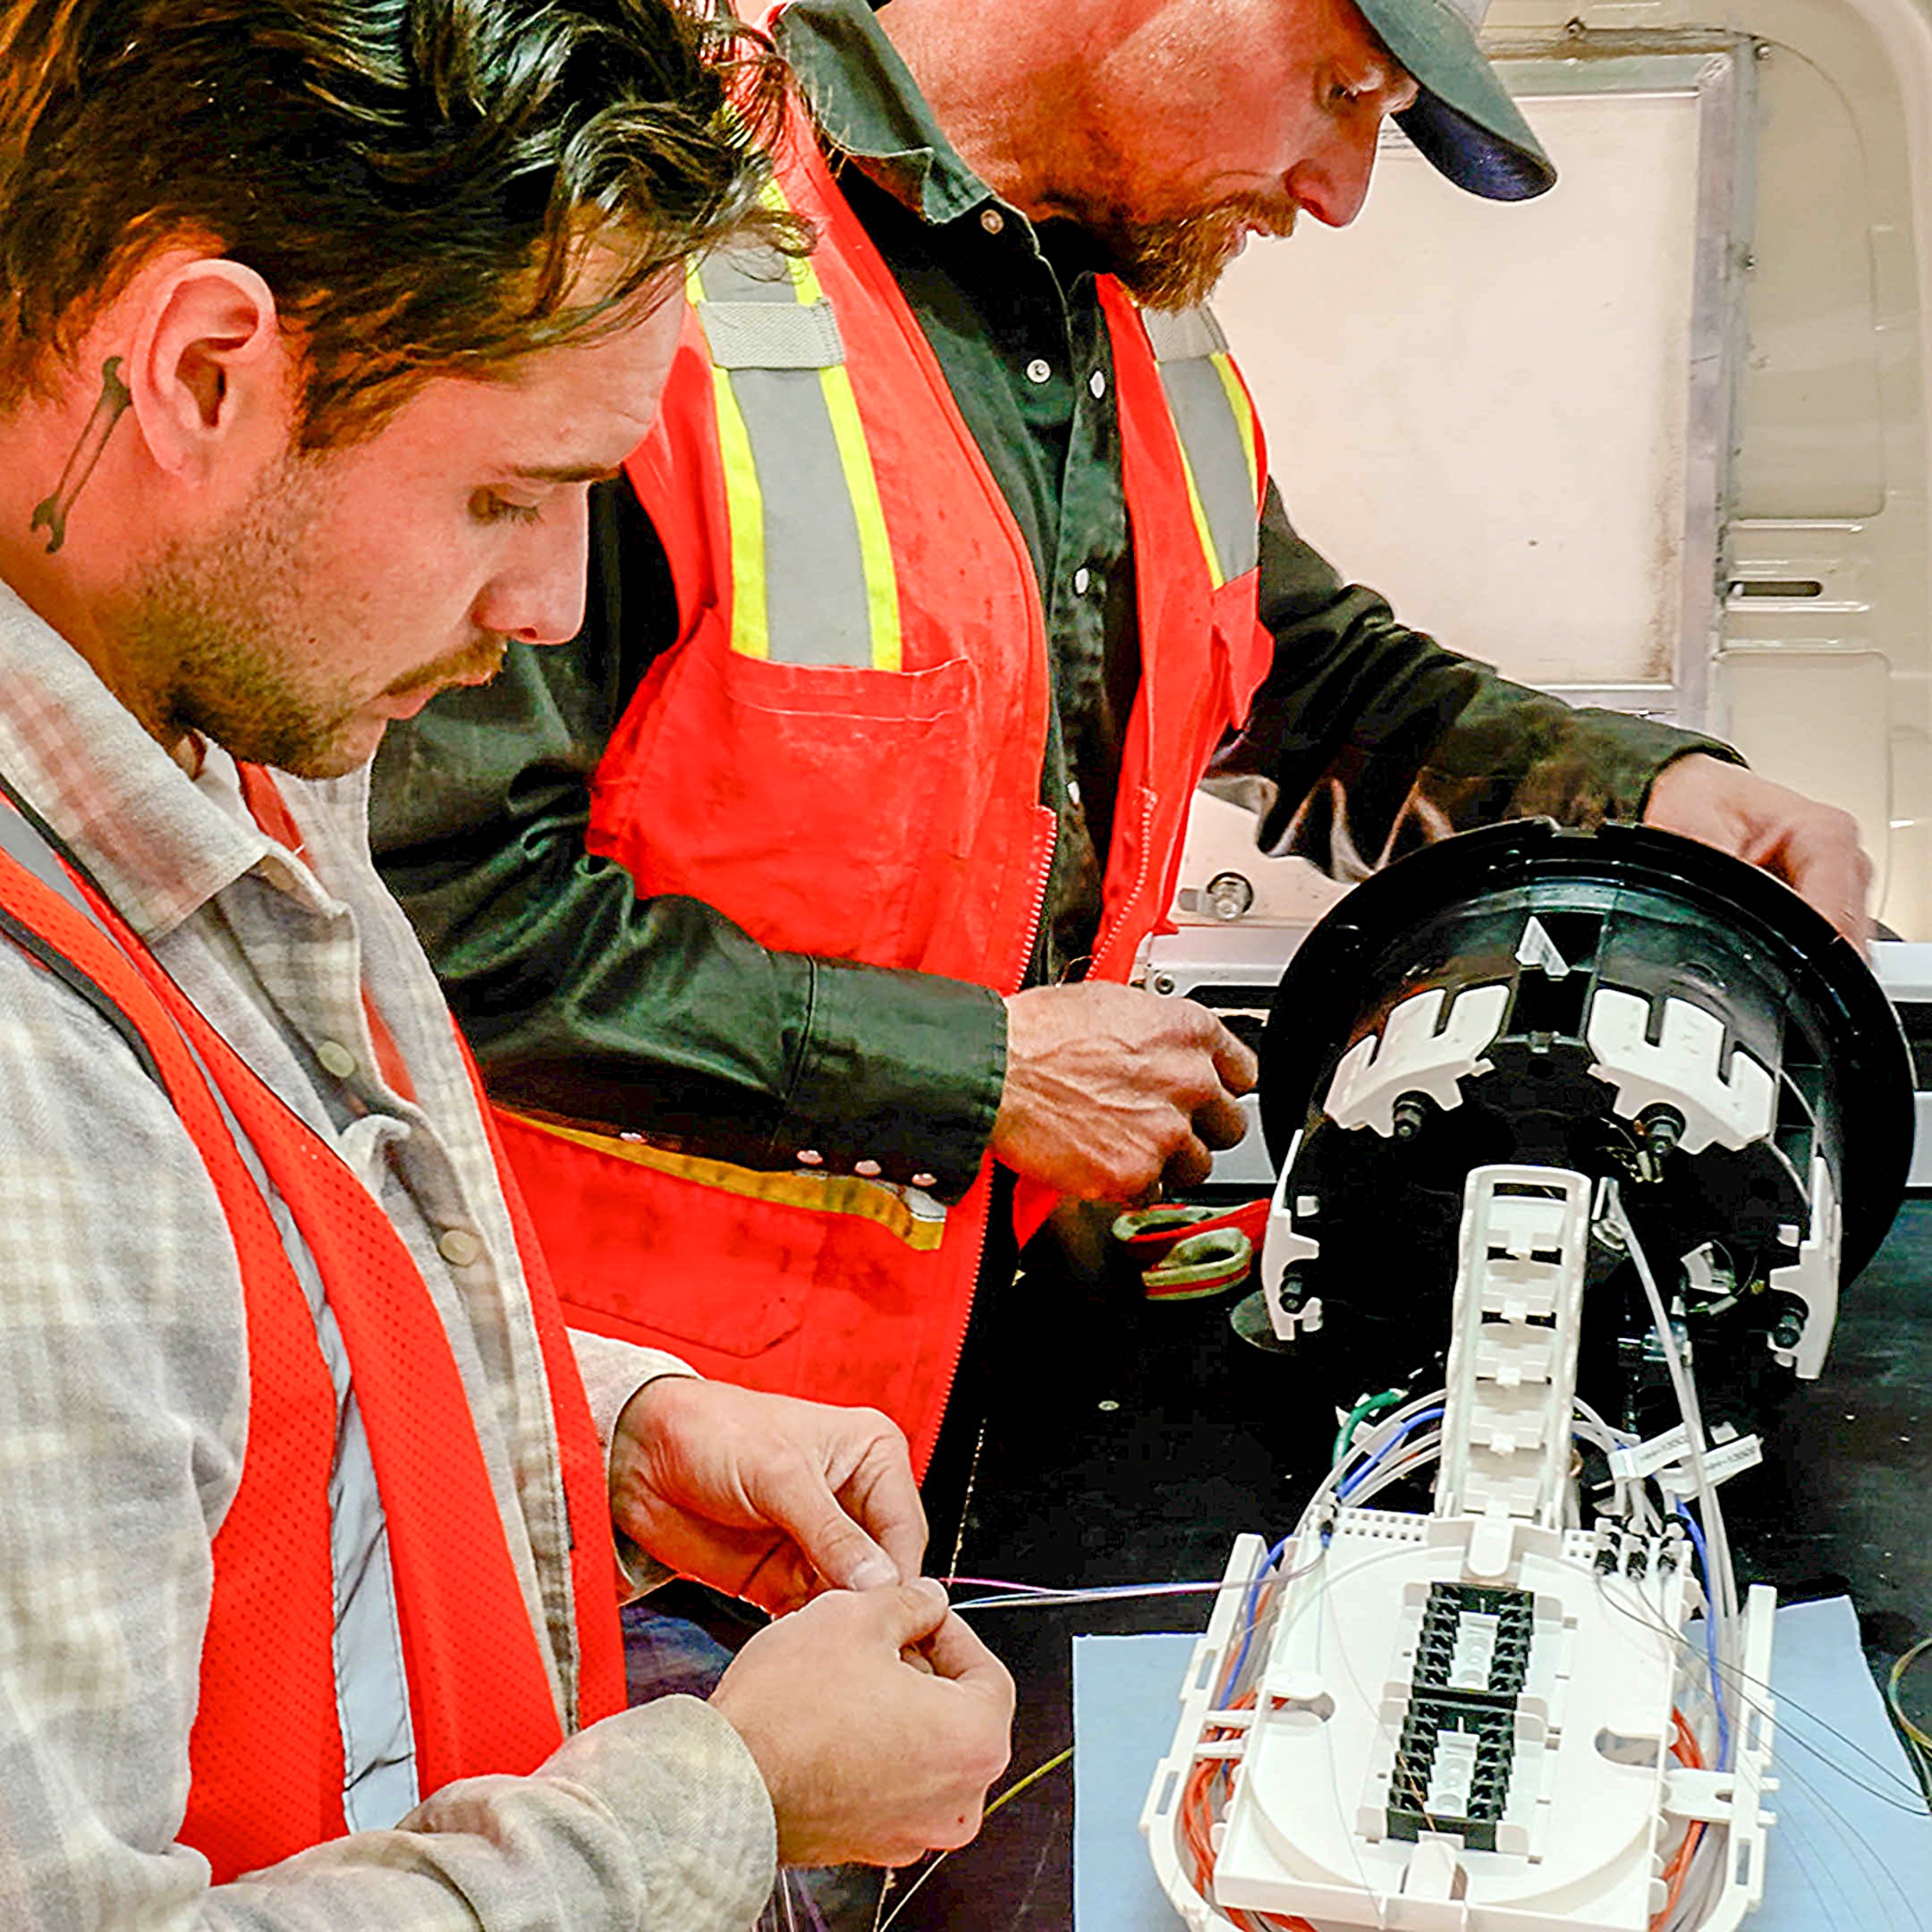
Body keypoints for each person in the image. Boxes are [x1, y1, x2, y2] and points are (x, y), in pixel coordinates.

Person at [370, 0, 1873, 1493]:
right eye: (1341, 90)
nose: (1340, 192)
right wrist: (980, 1075)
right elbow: (442, 919)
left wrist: (1651, 792)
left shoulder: (1131, 320)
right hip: (630, 1441)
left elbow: (1312, 676)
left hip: (970, 1368)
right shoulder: (640, 248)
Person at [0, 1, 1013, 1924]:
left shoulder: (226, 711)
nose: (545, 604)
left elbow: (227, 1342)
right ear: (206, 372)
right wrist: (726, 1796)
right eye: (504, 496)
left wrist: (609, 1427)